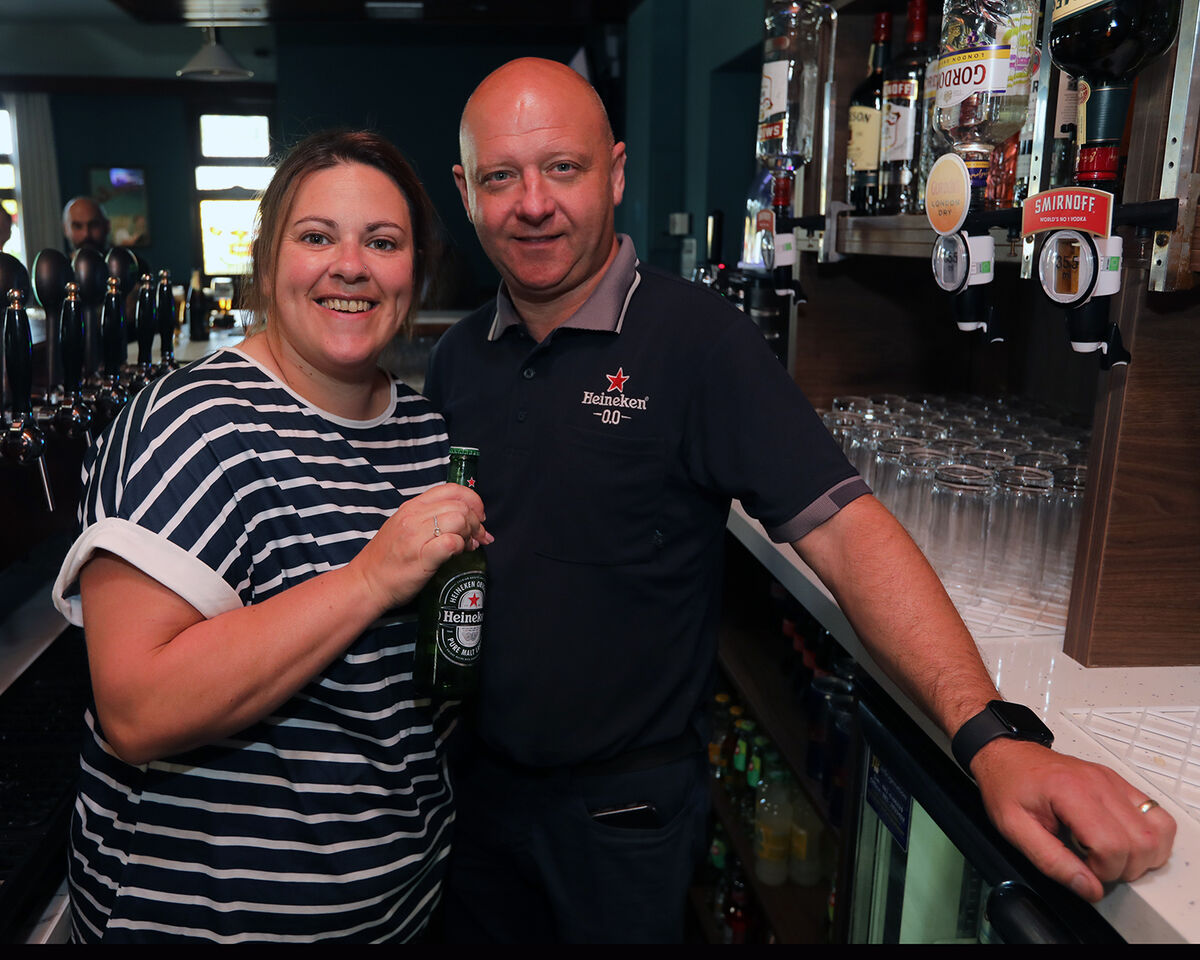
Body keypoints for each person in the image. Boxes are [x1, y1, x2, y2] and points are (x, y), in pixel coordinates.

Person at [423, 58, 1176, 943]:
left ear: (616, 172)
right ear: (465, 191)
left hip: (618, 816)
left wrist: (992, 737)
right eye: (501, 177)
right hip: (467, 794)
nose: (534, 204)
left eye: (564, 168)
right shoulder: (458, 358)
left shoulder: (701, 342)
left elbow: (850, 534)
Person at [51, 130, 492, 943]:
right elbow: (137, 708)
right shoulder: (189, 426)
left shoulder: (428, 437)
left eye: (383, 242)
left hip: (399, 914)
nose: (350, 265)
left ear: (417, 272)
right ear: (267, 261)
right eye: (316, 236)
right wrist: (368, 580)